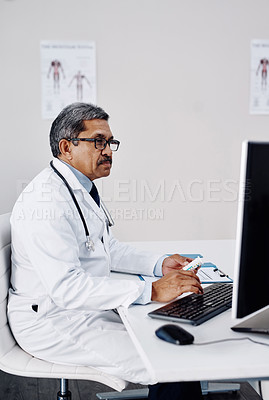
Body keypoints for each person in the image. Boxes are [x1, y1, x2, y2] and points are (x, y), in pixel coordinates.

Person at [8, 103, 203, 399]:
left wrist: (159, 264)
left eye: (110, 142)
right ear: (66, 147)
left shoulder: (79, 188)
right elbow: (66, 288)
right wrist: (150, 290)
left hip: (84, 308)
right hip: (52, 320)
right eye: (98, 141)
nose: (108, 150)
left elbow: (104, 246)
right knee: (169, 364)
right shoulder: (45, 202)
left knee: (177, 349)